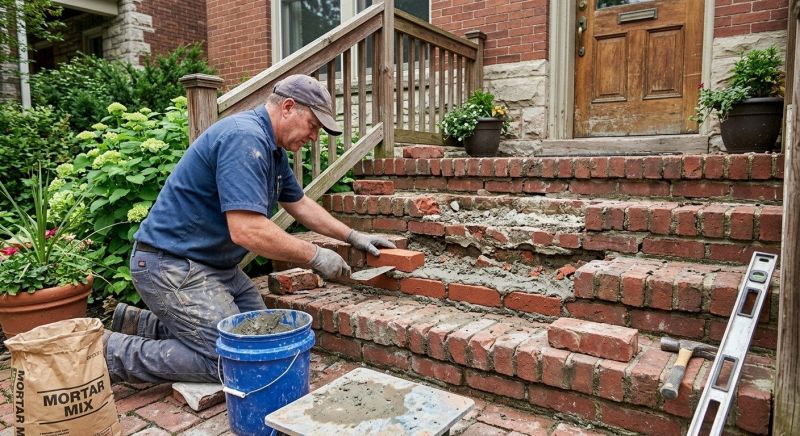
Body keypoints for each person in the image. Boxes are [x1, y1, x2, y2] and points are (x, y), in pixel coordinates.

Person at [104, 74, 395, 383]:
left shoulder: (272, 150)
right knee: (236, 360)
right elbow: (247, 230)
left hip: (212, 266)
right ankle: (111, 352)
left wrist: (352, 236)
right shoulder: (245, 138)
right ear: (287, 107)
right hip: (171, 265)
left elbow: (299, 203)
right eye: (313, 125)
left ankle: (141, 324)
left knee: (264, 335)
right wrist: (315, 255)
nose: (314, 137)